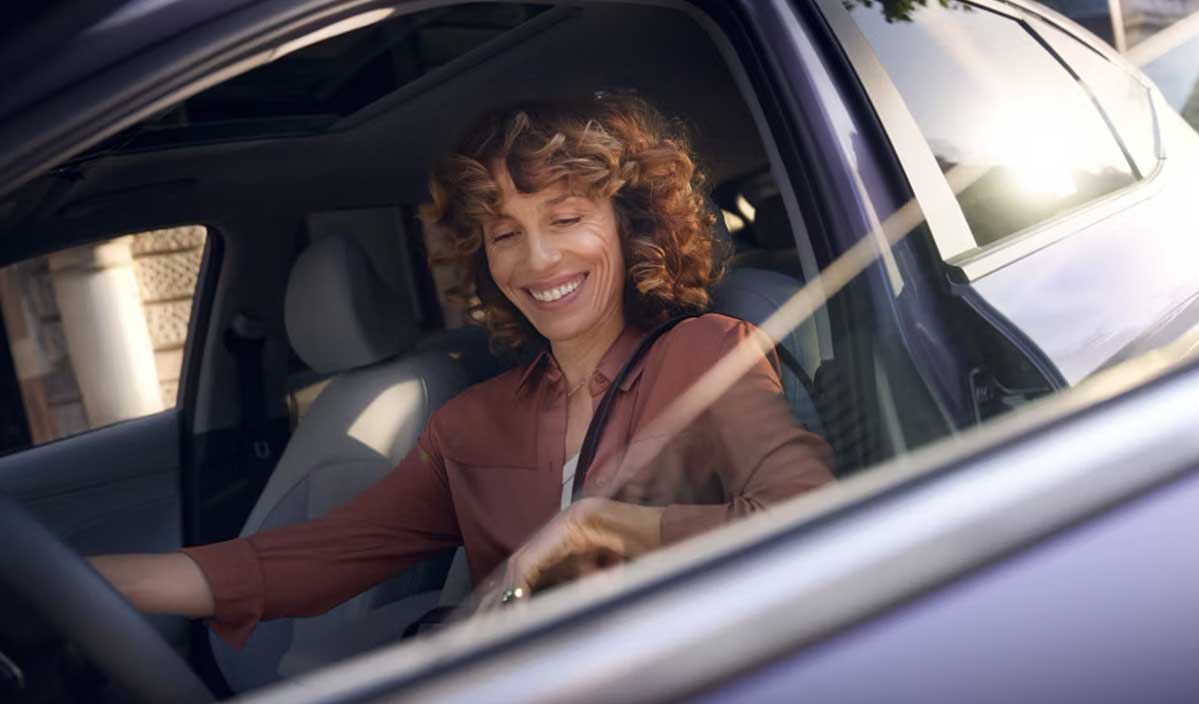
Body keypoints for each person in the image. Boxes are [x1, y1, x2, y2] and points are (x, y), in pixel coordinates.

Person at [91, 95, 835, 649]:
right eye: (505, 233)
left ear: (629, 225)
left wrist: (599, 526)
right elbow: (317, 557)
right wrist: (99, 587)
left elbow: (812, 523)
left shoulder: (704, 353)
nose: (538, 260)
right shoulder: (469, 423)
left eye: (567, 218)